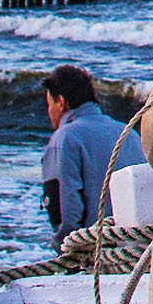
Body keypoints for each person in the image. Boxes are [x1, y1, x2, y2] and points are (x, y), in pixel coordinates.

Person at [41, 64, 119, 243]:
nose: (48, 112)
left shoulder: (64, 138)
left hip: (93, 253)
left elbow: (66, 211)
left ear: (60, 102)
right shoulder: (129, 134)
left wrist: (64, 252)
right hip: (134, 252)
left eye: (49, 104)